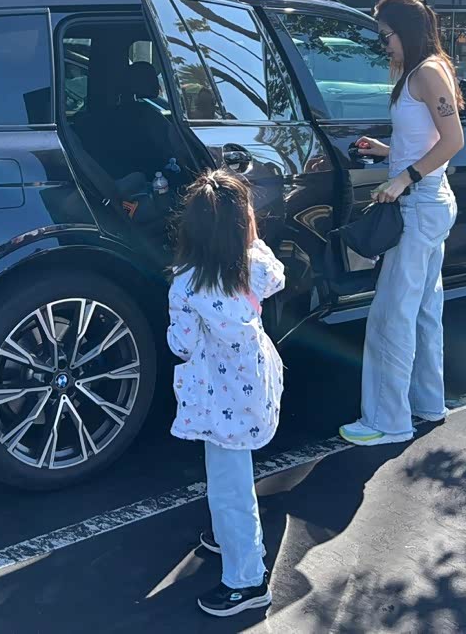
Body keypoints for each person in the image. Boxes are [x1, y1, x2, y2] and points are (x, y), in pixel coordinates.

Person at [340, 0, 465, 447]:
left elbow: (453, 140)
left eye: (386, 35)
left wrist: (403, 178)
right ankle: (427, 403)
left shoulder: (427, 72)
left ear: (406, 31)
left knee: (391, 316)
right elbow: (428, 141)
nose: (384, 45)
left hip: (419, 204)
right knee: (425, 311)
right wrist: (388, 153)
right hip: (431, 203)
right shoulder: (429, 69)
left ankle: (386, 421)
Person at [167, 168, 285, 617]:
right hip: (255, 381)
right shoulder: (254, 266)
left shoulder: (187, 283)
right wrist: (253, 241)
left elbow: (181, 344)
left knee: (229, 486)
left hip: (217, 395)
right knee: (234, 472)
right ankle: (227, 537)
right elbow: (277, 278)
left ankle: (247, 579)